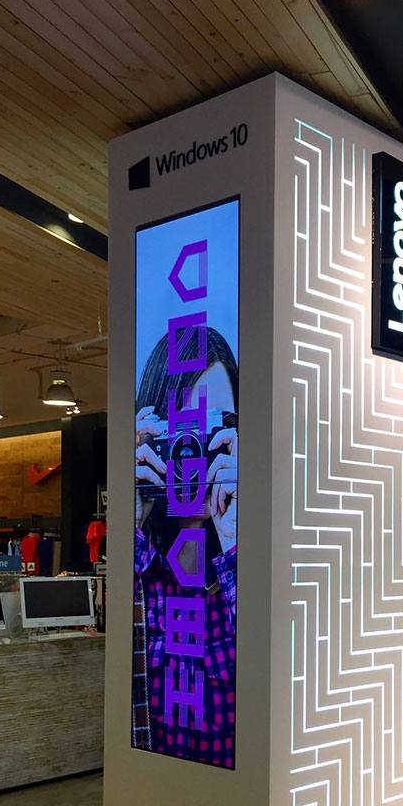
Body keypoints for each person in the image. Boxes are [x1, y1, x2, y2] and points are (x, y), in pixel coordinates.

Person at [133, 325, 238, 769]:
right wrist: (131, 522)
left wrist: (235, 541)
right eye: (182, 428)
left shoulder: (257, 561)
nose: (192, 448)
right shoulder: (139, 567)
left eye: (217, 424)